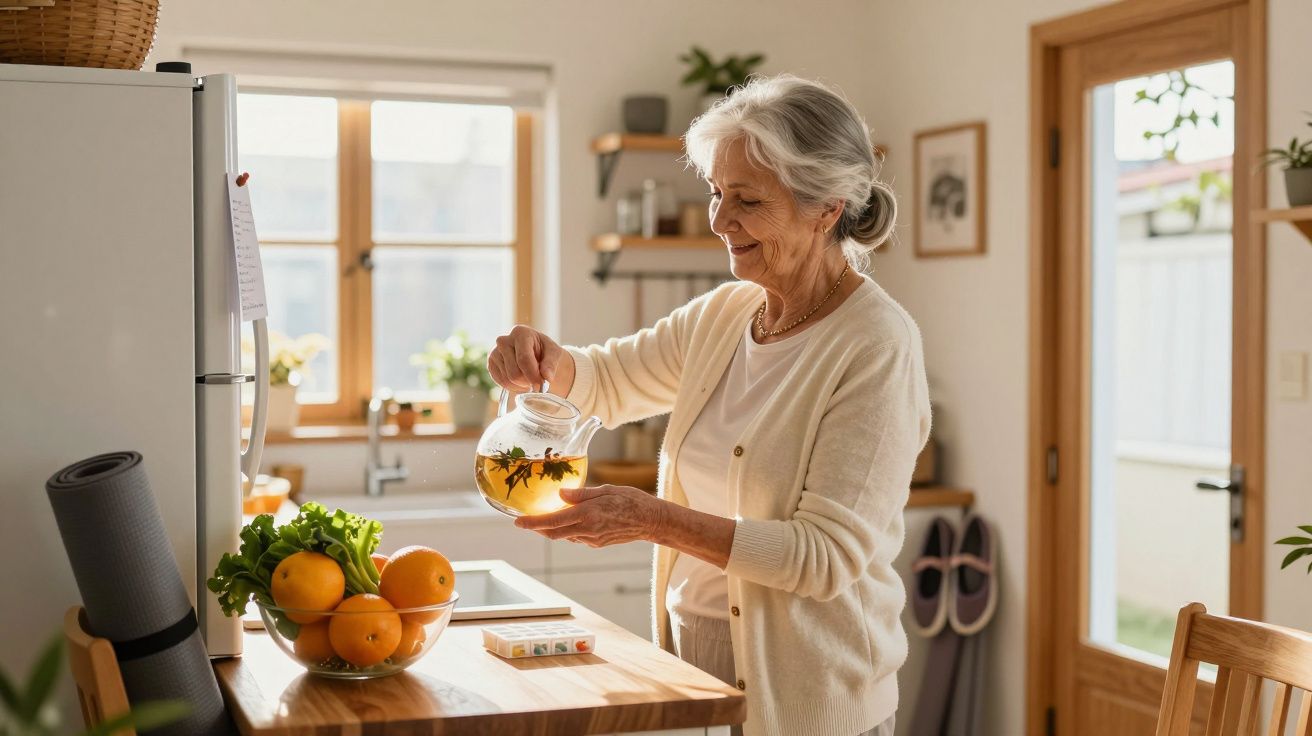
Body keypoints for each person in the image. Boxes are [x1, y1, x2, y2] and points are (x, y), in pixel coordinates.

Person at [488, 74, 930, 736]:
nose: (719, 221)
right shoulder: (730, 312)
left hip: (811, 706)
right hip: (694, 679)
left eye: (747, 201)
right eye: (717, 194)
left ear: (826, 209)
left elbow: (824, 558)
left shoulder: (876, 345)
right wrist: (546, 359)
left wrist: (654, 519)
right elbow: (608, 380)